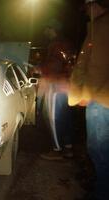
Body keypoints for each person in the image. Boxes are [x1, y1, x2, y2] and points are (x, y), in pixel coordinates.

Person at [68, 0, 109, 199]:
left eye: (86, 7)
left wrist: (84, 95)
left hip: (101, 101)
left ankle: (103, 192)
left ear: (94, 4)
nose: (85, 12)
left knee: (99, 150)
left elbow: (95, 66)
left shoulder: (101, 26)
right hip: (102, 97)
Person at [37, 18, 75, 160]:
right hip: (65, 84)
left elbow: (55, 65)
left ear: (52, 29)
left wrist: (39, 68)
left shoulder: (57, 44)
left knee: (53, 118)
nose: (44, 31)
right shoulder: (66, 42)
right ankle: (68, 147)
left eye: (45, 28)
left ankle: (57, 150)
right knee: (65, 117)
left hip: (56, 83)